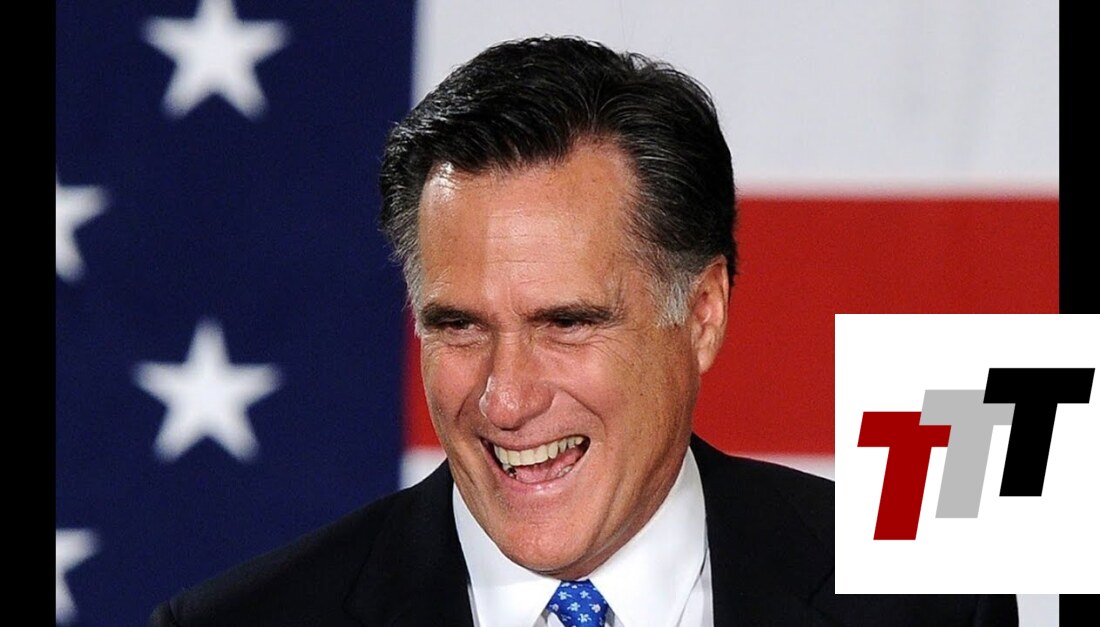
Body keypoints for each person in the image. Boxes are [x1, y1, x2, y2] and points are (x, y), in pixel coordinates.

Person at [149, 36, 1017, 626]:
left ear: (702, 313)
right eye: (459, 326)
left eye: (565, 322)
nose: (505, 398)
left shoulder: (932, 599)